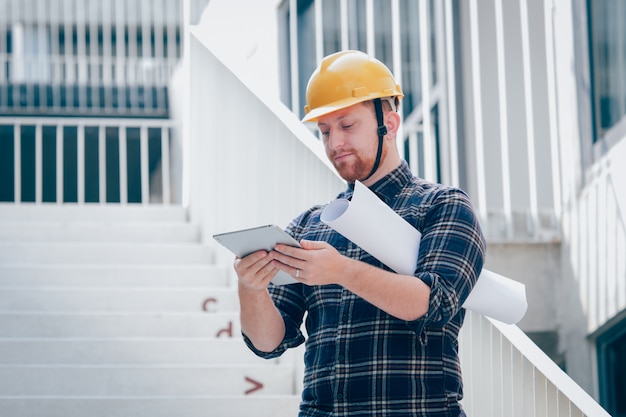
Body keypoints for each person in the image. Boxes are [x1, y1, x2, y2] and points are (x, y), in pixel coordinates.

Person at [234, 50, 486, 417]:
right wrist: (251, 288)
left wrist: (340, 271)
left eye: (347, 125)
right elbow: (268, 342)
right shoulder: (309, 225)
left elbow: (434, 303)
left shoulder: (442, 206)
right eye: (324, 131)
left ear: (390, 123)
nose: (334, 143)